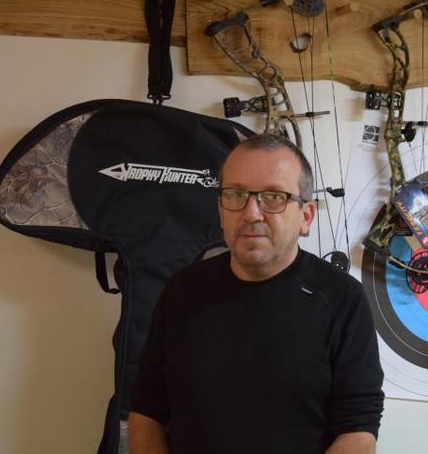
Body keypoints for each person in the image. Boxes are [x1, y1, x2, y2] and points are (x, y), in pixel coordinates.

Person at [128, 134, 385, 454]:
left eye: (273, 196)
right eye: (235, 194)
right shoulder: (182, 291)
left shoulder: (343, 299)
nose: (251, 213)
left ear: (306, 217)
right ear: (222, 211)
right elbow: (145, 412)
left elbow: (358, 432)